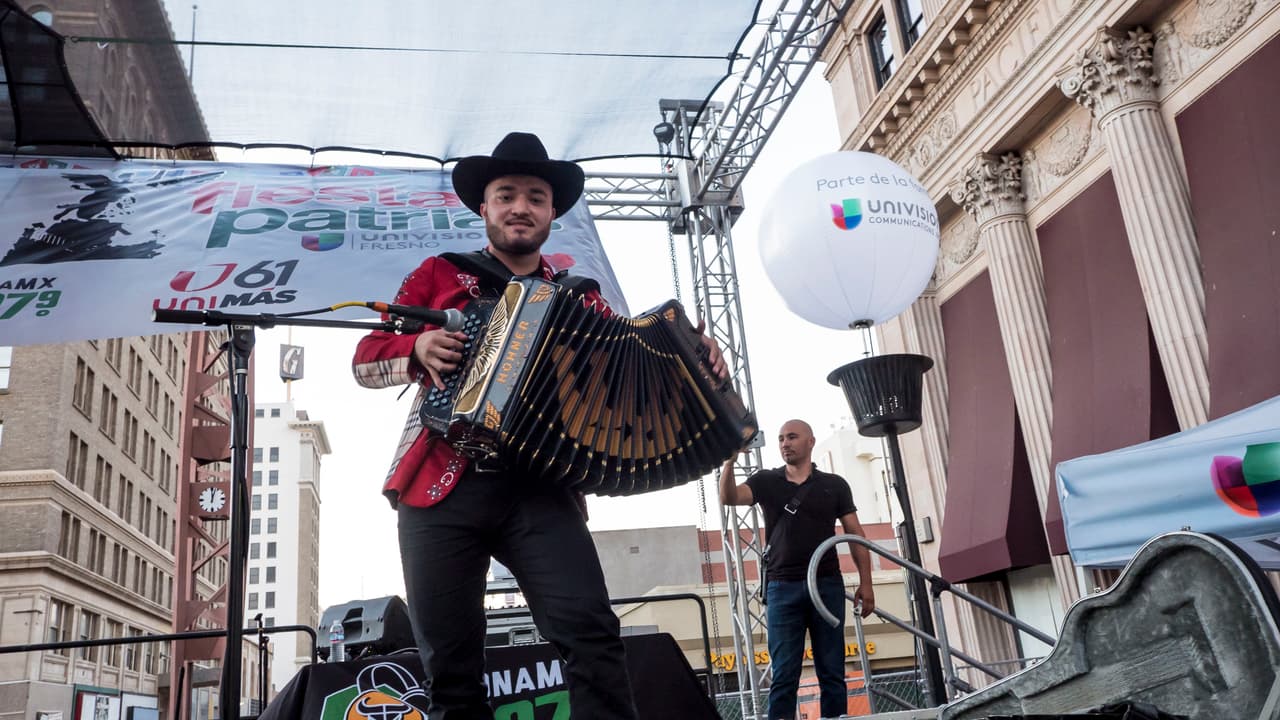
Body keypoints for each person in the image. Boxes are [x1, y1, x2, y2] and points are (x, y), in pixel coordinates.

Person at [352, 131, 726, 720]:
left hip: (542, 488)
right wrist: (418, 345)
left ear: (553, 212)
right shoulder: (440, 274)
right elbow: (364, 362)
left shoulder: (581, 297)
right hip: (440, 486)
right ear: (485, 207)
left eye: (534, 196)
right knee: (450, 667)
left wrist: (691, 355)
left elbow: (630, 369)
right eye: (506, 195)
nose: (520, 207)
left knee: (591, 633)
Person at [719, 419, 875, 720]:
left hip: (826, 585)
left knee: (832, 672)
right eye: (780, 439)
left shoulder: (834, 484)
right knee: (784, 675)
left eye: (792, 437)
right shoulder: (766, 480)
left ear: (810, 441)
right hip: (782, 587)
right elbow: (730, 498)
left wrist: (866, 583)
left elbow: (855, 535)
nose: (785, 444)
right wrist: (729, 463)